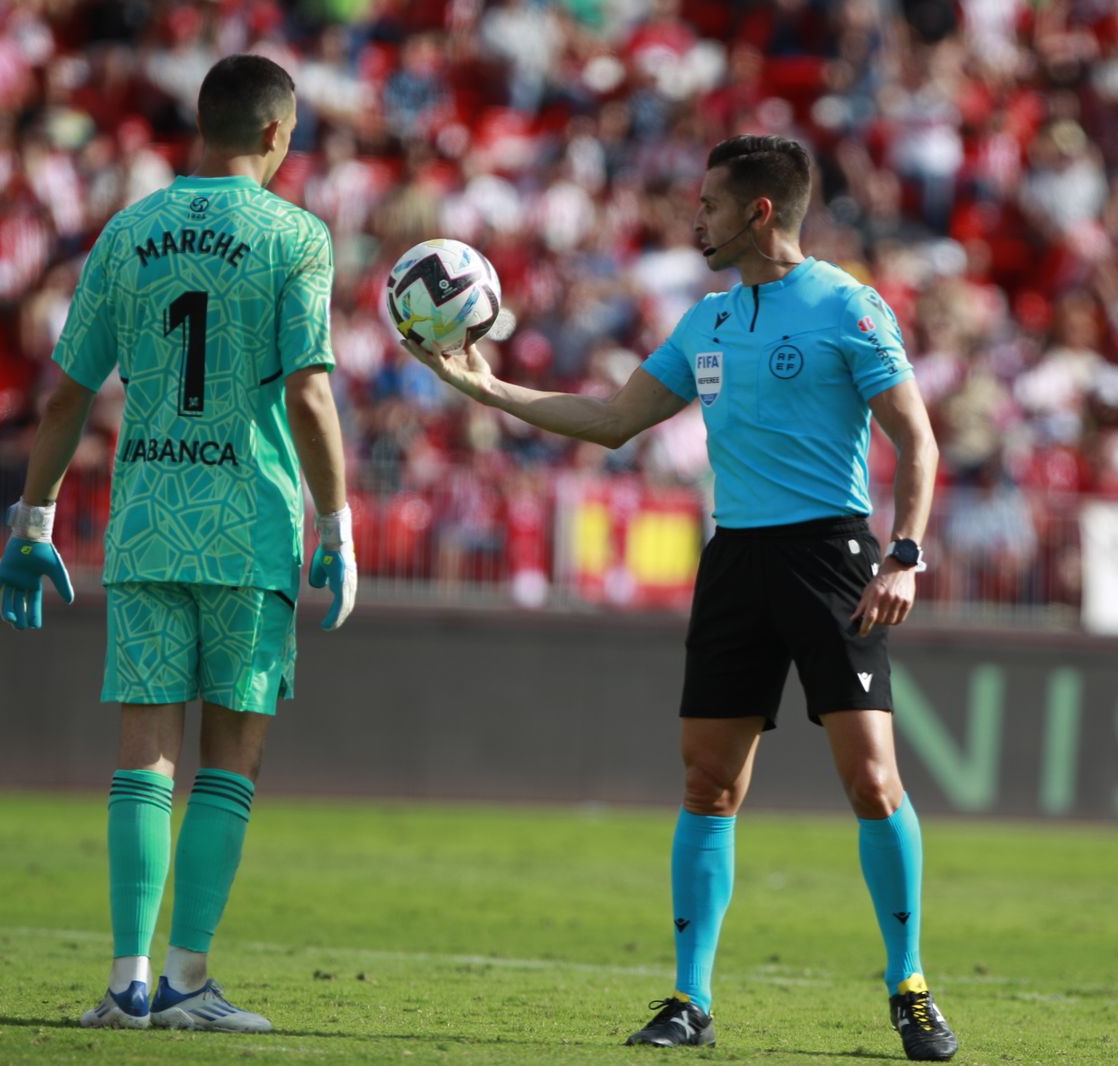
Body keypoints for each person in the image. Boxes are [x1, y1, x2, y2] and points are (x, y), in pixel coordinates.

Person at [405, 134, 958, 1061]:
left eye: (709, 204)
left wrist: (903, 555)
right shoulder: (706, 321)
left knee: (872, 779)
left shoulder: (848, 307)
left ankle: (909, 987)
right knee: (708, 781)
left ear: (759, 211)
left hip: (833, 557)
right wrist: (486, 387)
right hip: (736, 559)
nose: (694, 217)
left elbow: (919, 438)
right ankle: (689, 1002)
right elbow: (613, 421)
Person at [0, 54, 356, 1033]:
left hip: (148, 519)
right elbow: (311, 390)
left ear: (201, 122)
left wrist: (32, 520)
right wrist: (337, 521)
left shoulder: (129, 229)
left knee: (142, 754)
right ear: (276, 133)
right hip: (249, 527)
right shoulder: (295, 235)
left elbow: (66, 395)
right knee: (230, 756)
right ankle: (188, 978)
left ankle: (127, 979)